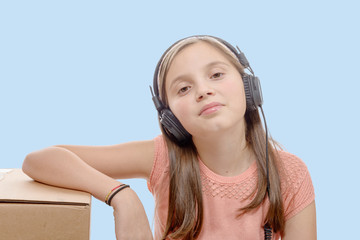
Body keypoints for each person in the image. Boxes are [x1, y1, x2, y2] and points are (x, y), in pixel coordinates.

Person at [22, 35, 316, 240]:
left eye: (216, 75)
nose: (203, 90)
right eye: (183, 89)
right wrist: (121, 196)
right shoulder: (162, 158)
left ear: (249, 87)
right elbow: (40, 160)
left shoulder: (289, 173)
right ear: (170, 117)